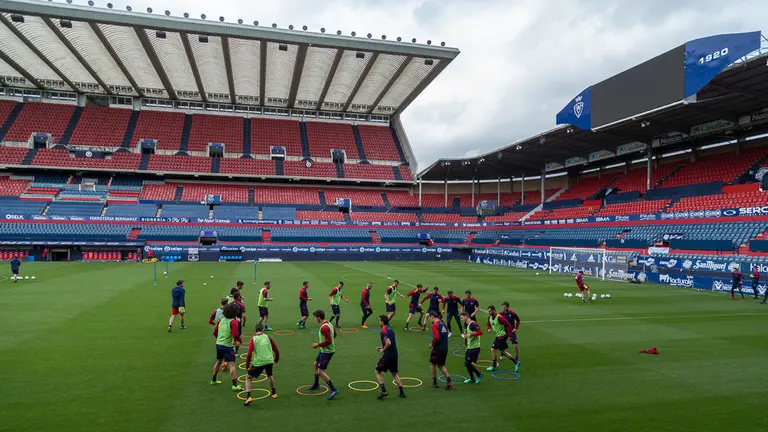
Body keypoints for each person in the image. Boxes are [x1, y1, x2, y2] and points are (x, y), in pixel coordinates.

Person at [243, 323, 280, 406]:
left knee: (248, 377)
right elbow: (276, 350)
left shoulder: (253, 339)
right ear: (262, 330)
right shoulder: (268, 337)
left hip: (258, 363)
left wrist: (247, 366)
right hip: (269, 361)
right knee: (269, 375)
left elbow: (249, 354)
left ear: (255, 331)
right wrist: (276, 359)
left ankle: (248, 396)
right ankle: (274, 393)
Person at [211, 302, 244, 392]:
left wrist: (220, 339)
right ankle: (234, 385)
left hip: (218, 344)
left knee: (218, 361)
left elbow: (214, 333)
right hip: (227, 346)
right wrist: (240, 340)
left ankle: (213, 380)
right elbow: (235, 335)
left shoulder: (221, 320)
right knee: (232, 364)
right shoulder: (233, 322)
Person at [309, 309, 340, 400]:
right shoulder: (328, 323)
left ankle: (333, 389)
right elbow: (335, 334)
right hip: (324, 350)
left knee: (321, 371)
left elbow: (329, 341)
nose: (315, 319)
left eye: (315, 317)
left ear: (319, 317)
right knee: (315, 364)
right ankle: (316, 384)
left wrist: (317, 345)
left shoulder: (324, 328)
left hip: (327, 351)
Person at [374, 315, 406, 399]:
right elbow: (390, 343)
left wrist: (383, 350)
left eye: (379, 320)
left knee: (377, 371)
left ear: (382, 322)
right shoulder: (391, 330)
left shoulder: (383, 331)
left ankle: (384, 391)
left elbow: (388, 343)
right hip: (394, 353)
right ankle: (402, 392)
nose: (379, 322)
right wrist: (381, 347)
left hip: (388, 355)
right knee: (394, 373)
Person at [485, 305, 517, 372]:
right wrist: (489, 328)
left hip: (502, 336)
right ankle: (516, 362)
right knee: (503, 352)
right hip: (498, 335)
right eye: (488, 311)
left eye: (490, 311)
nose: (489, 312)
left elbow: (508, 325)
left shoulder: (499, 317)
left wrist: (510, 335)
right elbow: (488, 324)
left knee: (493, 349)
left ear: (494, 310)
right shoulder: (490, 317)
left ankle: (494, 366)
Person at [428, 311, 453, 390]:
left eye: (429, 318)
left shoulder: (435, 325)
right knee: (440, 365)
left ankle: (434, 382)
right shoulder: (443, 324)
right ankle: (449, 380)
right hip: (445, 347)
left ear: (432, 317)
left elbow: (437, 337)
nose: (429, 320)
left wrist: (432, 344)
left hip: (438, 348)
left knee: (432, 363)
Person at [460, 312, 483, 384]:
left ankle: (479, 374)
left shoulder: (472, 324)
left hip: (475, 348)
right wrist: (466, 342)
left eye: (462, 318)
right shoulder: (467, 324)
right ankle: (472, 378)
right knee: (466, 363)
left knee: (468, 363)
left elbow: (480, 332)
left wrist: (470, 335)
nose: (461, 319)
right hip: (470, 347)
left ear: (466, 316)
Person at [499, 302, 521, 372]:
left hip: (512, 332)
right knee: (502, 345)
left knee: (515, 346)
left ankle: (516, 359)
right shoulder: (501, 313)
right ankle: (502, 354)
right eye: (503, 307)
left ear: (508, 307)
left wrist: (516, 328)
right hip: (504, 332)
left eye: (505, 307)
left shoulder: (513, 313)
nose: (503, 308)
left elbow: (518, 320)